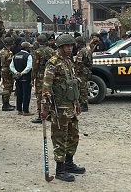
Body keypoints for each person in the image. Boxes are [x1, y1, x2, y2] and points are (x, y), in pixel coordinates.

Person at [40, 34, 86, 182]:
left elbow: (73, 84)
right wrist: (45, 107)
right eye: (67, 46)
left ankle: (69, 162)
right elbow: (46, 87)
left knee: (74, 136)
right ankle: (60, 169)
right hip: (59, 108)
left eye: (71, 46)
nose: (70, 48)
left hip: (71, 105)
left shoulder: (69, 62)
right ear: (60, 47)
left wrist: (77, 103)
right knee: (60, 137)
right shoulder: (53, 63)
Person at [31, 34, 55, 123]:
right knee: (49, 94)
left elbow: (35, 67)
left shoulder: (37, 52)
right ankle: (49, 113)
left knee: (39, 95)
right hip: (49, 75)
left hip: (40, 76)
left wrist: (32, 78)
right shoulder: (52, 51)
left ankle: (40, 115)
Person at [10, 41, 34, 116]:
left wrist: (16, 72)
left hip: (17, 78)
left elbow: (11, 66)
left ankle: (19, 110)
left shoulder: (15, 56)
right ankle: (26, 111)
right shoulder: (28, 56)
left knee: (19, 94)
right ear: (27, 48)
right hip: (26, 78)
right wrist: (22, 73)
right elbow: (29, 67)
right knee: (26, 94)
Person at [74, 36, 93, 112]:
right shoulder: (88, 50)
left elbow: (79, 63)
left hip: (82, 72)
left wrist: (77, 72)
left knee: (82, 89)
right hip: (87, 71)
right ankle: (83, 103)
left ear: (79, 43)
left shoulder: (81, 52)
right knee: (84, 87)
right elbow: (91, 62)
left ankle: (84, 105)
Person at [0, 37, 16, 111]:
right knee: (8, 87)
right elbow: (10, 63)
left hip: (3, 69)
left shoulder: (1, 51)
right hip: (8, 70)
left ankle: (6, 103)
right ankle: (5, 104)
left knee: (5, 86)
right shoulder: (9, 53)